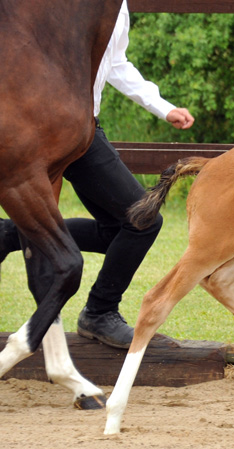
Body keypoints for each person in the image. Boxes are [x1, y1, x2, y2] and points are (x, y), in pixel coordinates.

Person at [0, 0, 194, 349]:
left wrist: (163, 107)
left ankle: (12, 236)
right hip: (49, 126)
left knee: (127, 225)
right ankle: (100, 312)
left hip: (83, 130)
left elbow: (116, 64)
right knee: (142, 220)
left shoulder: (115, 8)